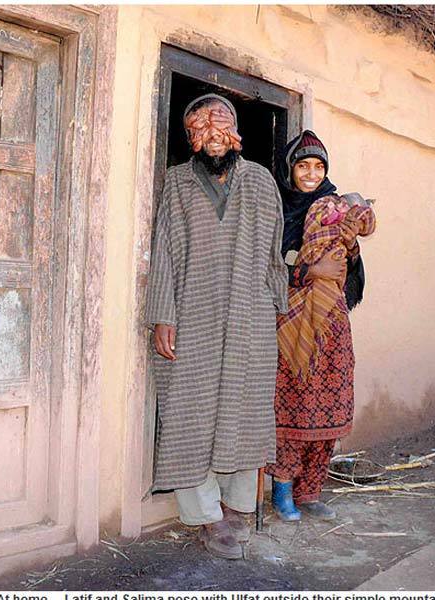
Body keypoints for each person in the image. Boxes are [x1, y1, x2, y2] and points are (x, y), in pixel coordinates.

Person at [146, 93, 288, 559]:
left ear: (236, 130)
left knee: (244, 409)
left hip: (249, 314)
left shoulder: (261, 181)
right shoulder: (178, 182)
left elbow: (274, 254)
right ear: (189, 137)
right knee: (190, 411)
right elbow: (163, 249)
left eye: (219, 123)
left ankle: (237, 507)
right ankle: (206, 514)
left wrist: (275, 308)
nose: (212, 134)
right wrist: (162, 314)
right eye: (200, 127)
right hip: (193, 314)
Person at [266, 130, 376, 521]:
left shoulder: (335, 207)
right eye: (303, 166)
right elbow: (263, 265)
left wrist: (350, 248)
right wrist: (309, 271)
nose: (311, 174)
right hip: (291, 324)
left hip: (332, 324)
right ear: (290, 169)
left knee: (329, 406)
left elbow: (351, 271)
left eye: (318, 167)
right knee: (291, 407)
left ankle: (310, 491)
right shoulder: (275, 210)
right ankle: (282, 491)